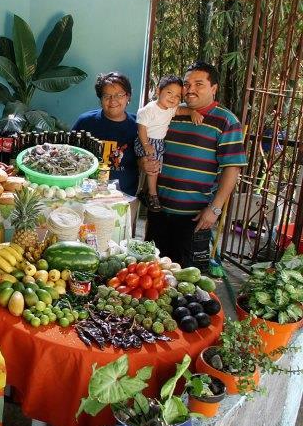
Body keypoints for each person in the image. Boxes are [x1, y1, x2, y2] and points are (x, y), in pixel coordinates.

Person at [144, 61, 246, 270]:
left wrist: (215, 209)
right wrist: (143, 162)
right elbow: (148, 146)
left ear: (214, 89)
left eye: (199, 84)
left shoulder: (226, 121)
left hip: (194, 217)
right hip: (158, 210)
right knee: (151, 272)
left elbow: (232, 168)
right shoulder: (171, 113)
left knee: (185, 279)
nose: (190, 89)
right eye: (187, 84)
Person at [134, 75, 204, 212]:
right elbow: (141, 128)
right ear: (159, 91)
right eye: (169, 93)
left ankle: (144, 191)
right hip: (146, 141)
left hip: (158, 143)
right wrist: (146, 144)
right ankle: (152, 195)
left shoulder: (171, 109)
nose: (173, 98)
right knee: (153, 168)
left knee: (156, 168)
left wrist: (192, 112)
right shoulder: (149, 109)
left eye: (178, 96)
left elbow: (180, 110)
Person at [72, 72, 139, 197]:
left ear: (128, 97)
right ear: (100, 99)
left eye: (119, 95)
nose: (113, 100)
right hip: (86, 195)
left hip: (124, 197)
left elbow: (143, 160)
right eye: (107, 96)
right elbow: (70, 155)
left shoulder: (138, 126)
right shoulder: (85, 122)